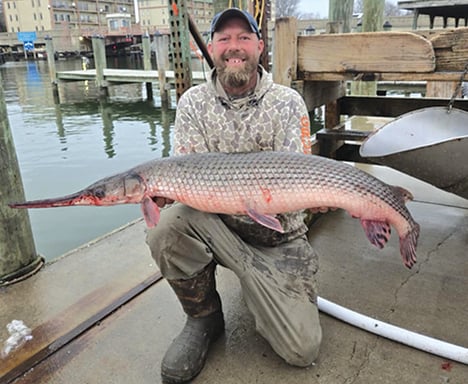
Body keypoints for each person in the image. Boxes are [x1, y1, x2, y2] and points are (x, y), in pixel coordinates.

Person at [146, 8, 322, 384]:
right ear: (210, 48)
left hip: (279, 238)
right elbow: (186, 178)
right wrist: (165, 193)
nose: (233, 47)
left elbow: (300, 176)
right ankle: (204, 318)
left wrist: (329, 198)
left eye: (243, 37)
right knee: (166, 225)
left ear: (260, 46)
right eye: (224, 38)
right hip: (219, 230)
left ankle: (267, 287)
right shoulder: (192, 103)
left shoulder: (287, 102)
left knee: (301, 350)